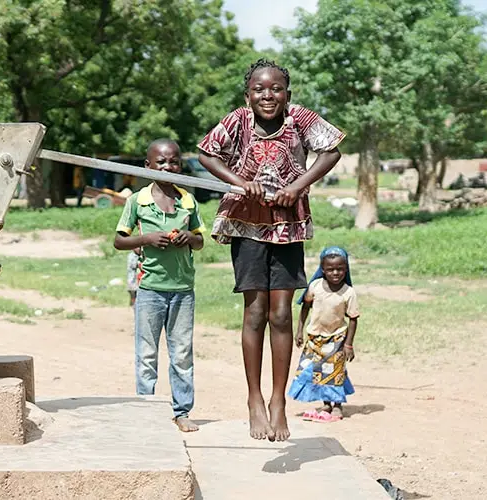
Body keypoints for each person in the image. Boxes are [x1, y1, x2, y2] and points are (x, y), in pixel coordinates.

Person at [197, 58, 344, 441]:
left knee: (281, 314)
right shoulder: (237, 121)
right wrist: (239, 181)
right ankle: (254, 399)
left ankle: (279, 400)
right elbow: (206, 154)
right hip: (246, 224)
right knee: (256, 310)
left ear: (287, 94)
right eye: (260, 89)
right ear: (248, 96)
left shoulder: (300, 119)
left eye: (276, 89)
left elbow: (331, 152)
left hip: (286, 224)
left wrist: (298, 186)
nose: (268, 95)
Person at [114, 138, 206, 433]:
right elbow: (119, 240)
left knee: (181, 353)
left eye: (174, 161)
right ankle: (147, 410)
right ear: (148, 166)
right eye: (161, 162)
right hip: (150, 289)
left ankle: (181, 411)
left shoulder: (187, 200)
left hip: (182, 290)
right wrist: (147, 240)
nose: (169, 167)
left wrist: (187, 238)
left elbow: (200, 240)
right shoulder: (137, 201)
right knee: (147, 353)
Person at [289, 247, 359, 421]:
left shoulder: (348, 293)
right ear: (322, 268)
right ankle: (326, 404)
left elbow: (353, 319)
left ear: (346, 269)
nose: (335, 273)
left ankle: (337, 406)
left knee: (334, 372)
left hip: (336, 339)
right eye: (330, 269)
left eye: (340, 269)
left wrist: (348, 344)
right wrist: (299, 331)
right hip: (314, 338)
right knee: (315, 371)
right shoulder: (315, 287)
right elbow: (305, 307)